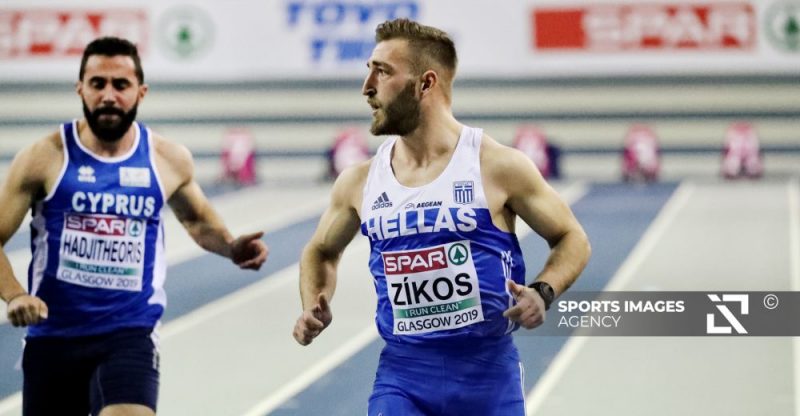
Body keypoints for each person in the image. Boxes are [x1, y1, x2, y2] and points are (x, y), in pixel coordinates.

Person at [292, 18, 591, 416]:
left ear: (426, 83)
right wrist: (313, 302)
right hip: (403, 378)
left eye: (382, 72)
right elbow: (320, 250)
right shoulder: (359, 182)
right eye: (368, 71)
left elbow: (572, 237)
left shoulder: (497, 166)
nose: (367, 87)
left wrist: (543, 291)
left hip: (488, 377)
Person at [0, 37, 269, 416]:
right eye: (98, 84)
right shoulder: (44, 157)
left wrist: (231, 246)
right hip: (54, 336)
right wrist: (15, 295)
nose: (109, 95)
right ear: (80, 89)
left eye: (121, 85)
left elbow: (196, 221)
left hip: (129, 333)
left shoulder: (167, 159)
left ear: (141, 92)